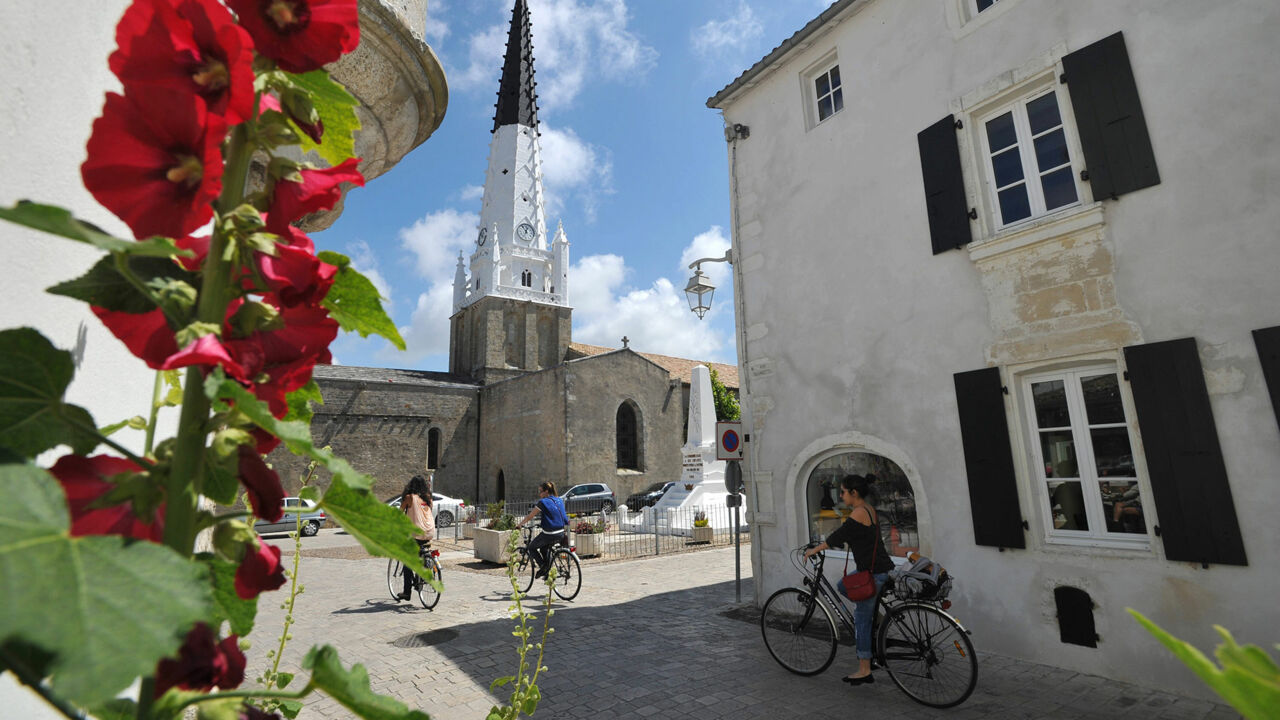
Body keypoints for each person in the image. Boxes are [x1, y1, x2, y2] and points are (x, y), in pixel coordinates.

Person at [803, 473, 894, 685]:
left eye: (843, 492)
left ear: (854, 493)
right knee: (842, 585)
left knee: (861, 621)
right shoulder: (868, 509)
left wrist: (813, 549)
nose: (841, 495)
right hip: (877, 568)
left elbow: (838, 536)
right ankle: (878, 619)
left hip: (873, 573)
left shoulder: (859, 512)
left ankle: (864, 669)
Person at [518, 481, 569, 579]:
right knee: (543, 548)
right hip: (561, 533)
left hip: (550, 534)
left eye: (541, 491)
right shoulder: (559, 500)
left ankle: (543, 566)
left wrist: (520, 525)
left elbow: (530, 516)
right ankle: (548, 571)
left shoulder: (543, 502)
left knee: (531, 547)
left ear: (546, 491)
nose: (539, 494)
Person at [397, 475, 435, 601]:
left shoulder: (409, 498)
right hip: (430, 532)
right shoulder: (428, 498)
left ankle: (407, 592)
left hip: (416, 533)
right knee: (421, 553)